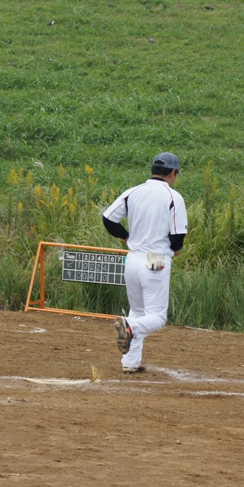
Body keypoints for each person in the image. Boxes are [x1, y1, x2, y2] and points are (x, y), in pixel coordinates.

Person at [102, 152, 188, 374]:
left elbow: (108, 218)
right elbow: (178, 236)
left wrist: (126, 236)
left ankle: (130, 362)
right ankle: (130, 327)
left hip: (133, 258)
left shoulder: (133, 192)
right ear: (172, 173)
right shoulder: (173, 197)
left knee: (138, 311)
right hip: (155, 258)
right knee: (157, 317)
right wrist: (175, 249)